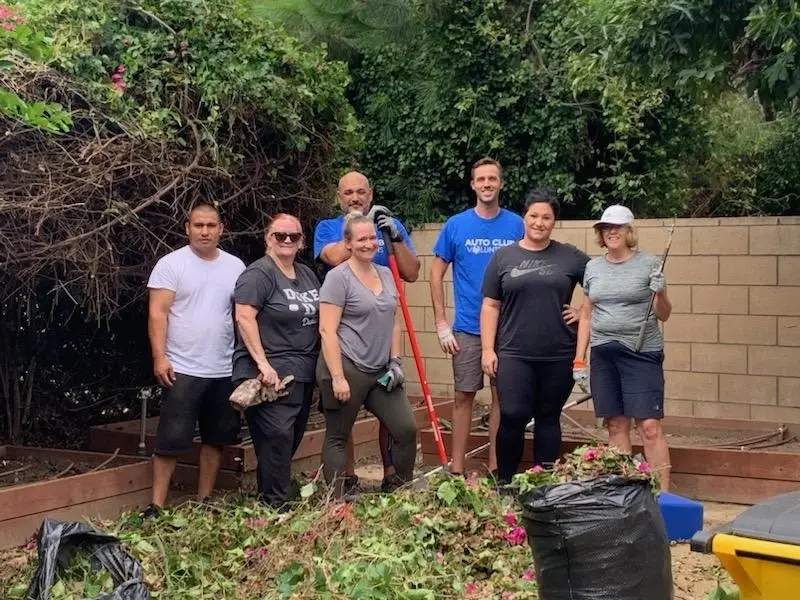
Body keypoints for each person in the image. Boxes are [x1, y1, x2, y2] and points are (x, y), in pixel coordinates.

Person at [313, 171, 420, 491]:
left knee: (405, 428)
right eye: (348, 192)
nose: (355, 197)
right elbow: (332, 258)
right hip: (346, 361)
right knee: (339, 433)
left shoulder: (385, 270)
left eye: (361, 191)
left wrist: (396, 361)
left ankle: (398, 489)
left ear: (370, 193)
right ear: (339, 196)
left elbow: (410, 277)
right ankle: (337, 497)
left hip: (380, 364)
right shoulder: (329, 237)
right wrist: (337, 376)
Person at [480, 188, 589, 483]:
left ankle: (543, 486)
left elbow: (600, 283)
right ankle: (505, 482)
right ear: (524, 217)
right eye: (533, 216)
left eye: (546, 217)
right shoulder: (504, 257)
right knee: (513, 414)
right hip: (513, 352)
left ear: (554, 222)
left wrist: (582, 312)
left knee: (548, 418)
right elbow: (490, 305)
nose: (539, 222)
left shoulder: (571, 257)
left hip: (558, 353)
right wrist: (488, 350)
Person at [144, 203, 245, 517]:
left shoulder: (236, 266)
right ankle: (156, 505)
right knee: (171, 440)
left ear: (221, 229)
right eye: (198, 225)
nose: (205, 231)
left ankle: (204, 501)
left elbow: (242, 316)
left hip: (223, 366)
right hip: (182, 367)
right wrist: (160, 357)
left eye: (211, 226)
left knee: (216, 439)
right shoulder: (171, 264)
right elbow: (157, 314)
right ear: (187, 228)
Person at [429, 157, 523, 477]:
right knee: (463, 396)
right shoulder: (456, 225)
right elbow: (435, 272)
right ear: (472, 185)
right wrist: (442, 324)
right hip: (467, 328)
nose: (486, 184)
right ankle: (456, 469)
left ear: (500, 183)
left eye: (492, 179)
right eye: (480, 179)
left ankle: (496, 469)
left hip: (507, 329)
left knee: (502, 399)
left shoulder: (516, 225)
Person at [574, 205, 673, 490]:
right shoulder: (593, 267)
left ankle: (662, 496)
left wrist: (661, 291)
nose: (612, 231)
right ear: (601, 233)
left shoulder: (649, 263)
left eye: (618, 227)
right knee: (616, 425)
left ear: (629, 231)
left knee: (649, 427)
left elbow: (664, 314)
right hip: (604, 353)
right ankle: (625, 493)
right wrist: (579, 361)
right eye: (607, 227)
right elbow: (586, 315)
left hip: (641, 352)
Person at [232, 214, 321, 510]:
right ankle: (275, 506)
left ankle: (268, 498)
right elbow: (244, 317)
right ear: (267, 238)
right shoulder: (258, 274)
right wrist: (263, 364)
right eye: (279, 235)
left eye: (293, 237)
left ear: (302, 242)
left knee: (290, 438)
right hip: (269, 376)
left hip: (303, 373)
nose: (286, 241)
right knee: (277, 437)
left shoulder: (307, 274)